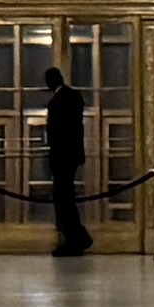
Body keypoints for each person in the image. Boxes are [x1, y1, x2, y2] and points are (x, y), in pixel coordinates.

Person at [38, 55, 93, 258]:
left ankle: (76, 238)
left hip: (62, 157)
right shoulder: (75, 96)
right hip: (72, 156)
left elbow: (56, 133)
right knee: (66, 198)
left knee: (64, 200)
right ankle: (77, 237)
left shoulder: (57, 102)